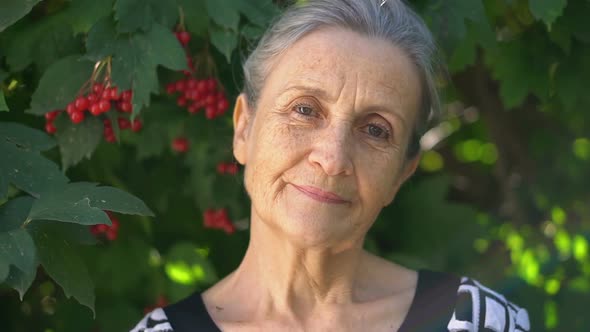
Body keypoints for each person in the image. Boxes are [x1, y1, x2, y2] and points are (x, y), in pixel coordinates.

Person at [132, 0, 530, 331]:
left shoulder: (476, 322)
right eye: (304, 109)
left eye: (376, 130)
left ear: (402, 174)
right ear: (243, 130)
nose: (333, 158)